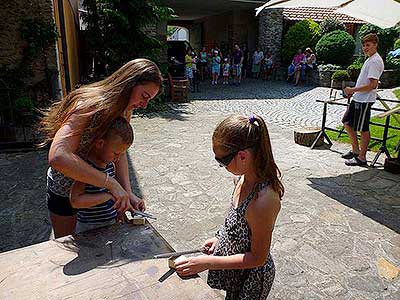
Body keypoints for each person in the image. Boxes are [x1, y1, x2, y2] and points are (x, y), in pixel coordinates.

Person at [41, 58, 161, 238]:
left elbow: (120, 152)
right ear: (130, 83)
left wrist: (127, 193)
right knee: (65, 248)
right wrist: (110, 183)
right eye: (144, 96)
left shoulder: (125, 110)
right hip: (64, 191)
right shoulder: (88, 105)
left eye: (149, 99)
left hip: (95, 193)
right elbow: (59, 156)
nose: (145, 104)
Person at [176, 114, 283, 300]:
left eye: (222, 162)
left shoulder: (263, 200)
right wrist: (220, 238)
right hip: (236, 270)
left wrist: (208, 262)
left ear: (242, 156)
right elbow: (235, 222)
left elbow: (258, 257)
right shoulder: (241, 178)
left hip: (252, 278)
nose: (221, 166)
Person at [70, 117, 133, 233]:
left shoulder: (109, 164)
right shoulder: (86, 168)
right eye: (116, 153)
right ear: (100, 143)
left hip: (110, 223)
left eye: (122, 154)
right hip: (88, 228)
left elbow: (114, 197)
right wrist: (108, 196)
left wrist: (119, 212)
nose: (118, 158)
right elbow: (76, 200)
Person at [342, 33, 384, 166]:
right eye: (364, 45)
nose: (365, 48)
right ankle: (355, 150)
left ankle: (362, 157)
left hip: (364, 100)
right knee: (347, 122)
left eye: (368, 45)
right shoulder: (370, 59)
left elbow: (372, 84)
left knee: (363, 128)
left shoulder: (375, 61)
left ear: (375, 45)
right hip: (358, 98)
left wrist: (352, 90)